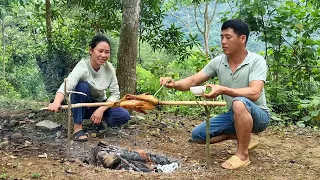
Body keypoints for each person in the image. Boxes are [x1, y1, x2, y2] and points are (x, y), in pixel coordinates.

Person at [160, 19, 270, 169]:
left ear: (242, 38)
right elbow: (193, 80)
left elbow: (254, 92)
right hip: (235, 114)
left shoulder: (256, 61)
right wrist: (174, 84)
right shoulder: (218, 62)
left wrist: (223, 89)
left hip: (259, 116)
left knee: (239, 102)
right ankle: (245, 138)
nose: (223, 41)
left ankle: (242, 155)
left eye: (228, 37)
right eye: (221, 37)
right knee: (198, 135)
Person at [48, 34, 131, 141]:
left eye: (107, 52)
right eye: (100, 51)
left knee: (124, 115)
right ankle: (77, 128)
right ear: (91, 51)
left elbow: (115, 94)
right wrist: (56, 101)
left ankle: (97, 121)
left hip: (100, 103)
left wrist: (101, 109)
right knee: (81, 87)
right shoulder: (83, 66)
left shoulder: (109, 68)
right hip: (83, 105)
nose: (103, 55)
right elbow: (67, 84)